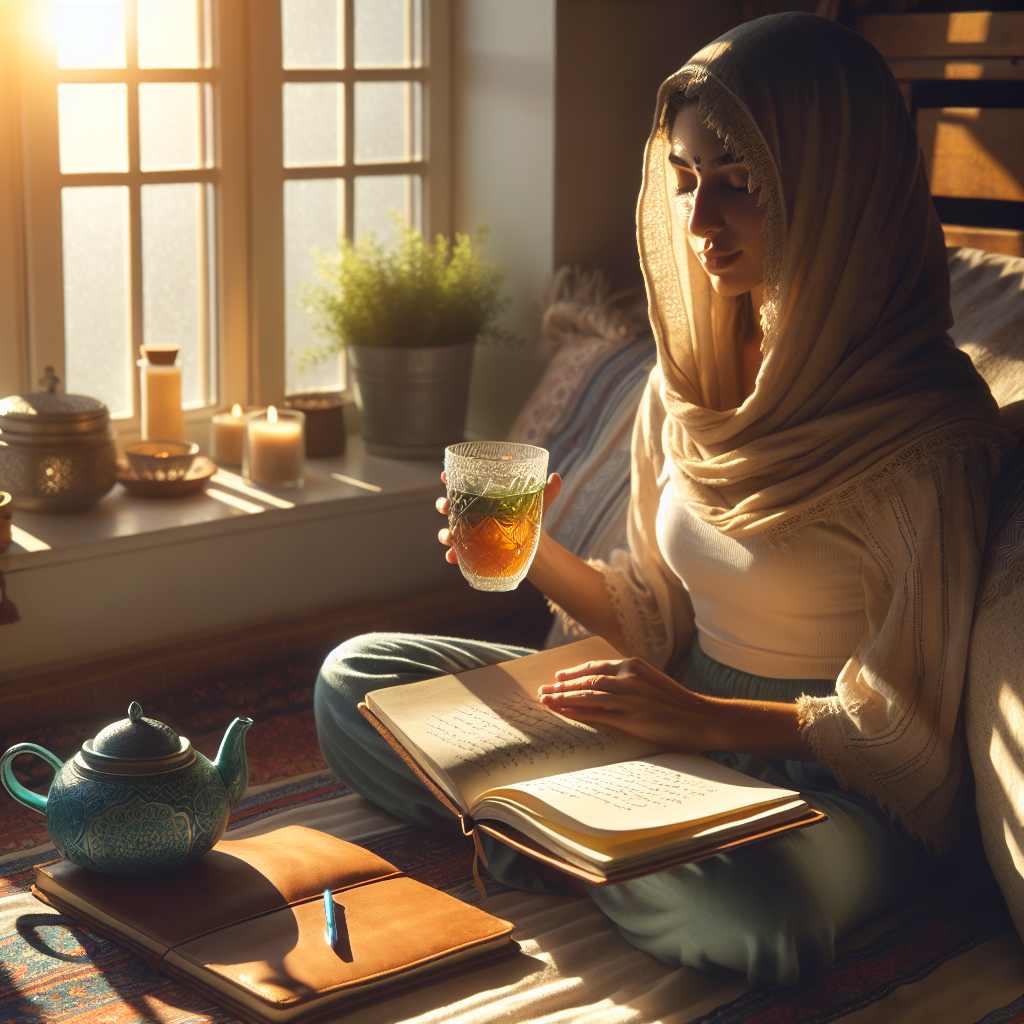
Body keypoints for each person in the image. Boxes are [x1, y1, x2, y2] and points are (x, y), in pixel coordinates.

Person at [314, 13, 1013, 985]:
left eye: (741, 182)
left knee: (749, 910)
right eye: (685, 179)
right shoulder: (689, 378)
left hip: (829, 789)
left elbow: (912, 733)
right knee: (360, 680)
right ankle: (591, 834)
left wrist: (701, 720)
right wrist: (539, 551)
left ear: (837, 187)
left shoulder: (926, 433)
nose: (698, 222)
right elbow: (652, 614)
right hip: (660, 723)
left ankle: (553, 831)